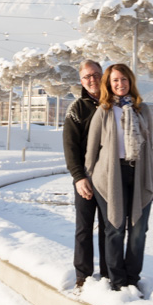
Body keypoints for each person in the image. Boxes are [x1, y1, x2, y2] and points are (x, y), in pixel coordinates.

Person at [85, 63, 153, 295]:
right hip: (109, 176)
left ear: (131, 82)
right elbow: (92, 147)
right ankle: (116, 282)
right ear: (109, 84)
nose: (120, 84)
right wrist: (87, 176)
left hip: (139, 174)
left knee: (139, 229)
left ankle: (132, 280)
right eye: (115, 80)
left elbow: (149, 144)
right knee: (114, 229)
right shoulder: (104, 110)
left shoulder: (142, 110)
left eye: (124, 79)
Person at [62, 60, 107, 290]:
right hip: (86, 180)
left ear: (103, 75)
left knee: (111, 227)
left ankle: (109, 273)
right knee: (84, 228)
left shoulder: (113, 104)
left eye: (96, 75)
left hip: (111, 179)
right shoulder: (77, 109)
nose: (92, 80)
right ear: (81, 81)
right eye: (87, 76)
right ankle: (83, 276)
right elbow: (70, 147)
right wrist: (79, 178)